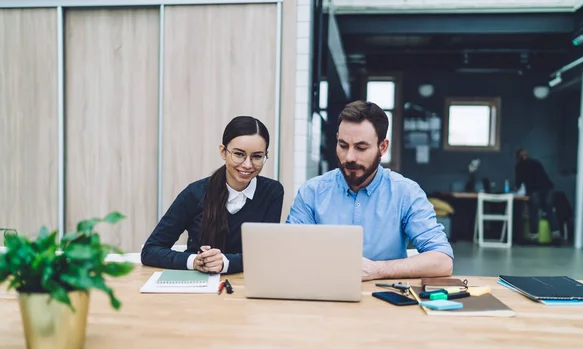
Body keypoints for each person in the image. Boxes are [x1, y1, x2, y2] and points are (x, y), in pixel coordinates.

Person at [286, 100, 453, 281]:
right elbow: (289, 252)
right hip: (322, 295)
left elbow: (442, 261)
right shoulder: (312, 192)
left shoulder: (406, 193)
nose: (349, 157)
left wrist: (378, 269)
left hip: (386, 301)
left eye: (361, 148)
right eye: (343, 145)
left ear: (382, 147)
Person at [141, 116, 284, 274]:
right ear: (223, 151)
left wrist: (224, 262)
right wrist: (194, 262)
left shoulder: (272, 192)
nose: (248, 164)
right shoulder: (195, 193)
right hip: (199, 286)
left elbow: (266, 254)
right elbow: (151, 251)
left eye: (257, 156)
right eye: (239, 154)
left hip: (245, 286)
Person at [514, 148, 561, 243]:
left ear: (517, 157)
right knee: (549, 211)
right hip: (548, 188)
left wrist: (516, 188)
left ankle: (534, 236)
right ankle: (556, 235)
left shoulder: (519, 166)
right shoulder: (536, 162)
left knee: (534, 212)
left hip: (534, 190)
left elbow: (518, 183)